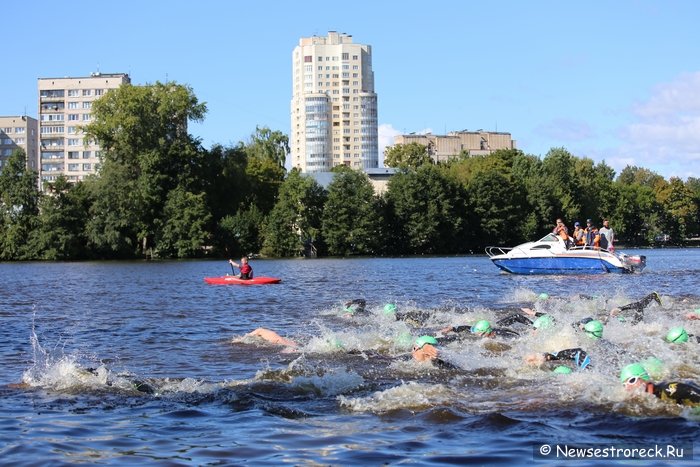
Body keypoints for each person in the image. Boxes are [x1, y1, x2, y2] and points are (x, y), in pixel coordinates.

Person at [620, 363, 700, 407]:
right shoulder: (652, 399)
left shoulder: (669, 389)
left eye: (632, 381)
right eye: (624, 385)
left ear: (644, 378)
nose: (628, 388)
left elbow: (690, 390)